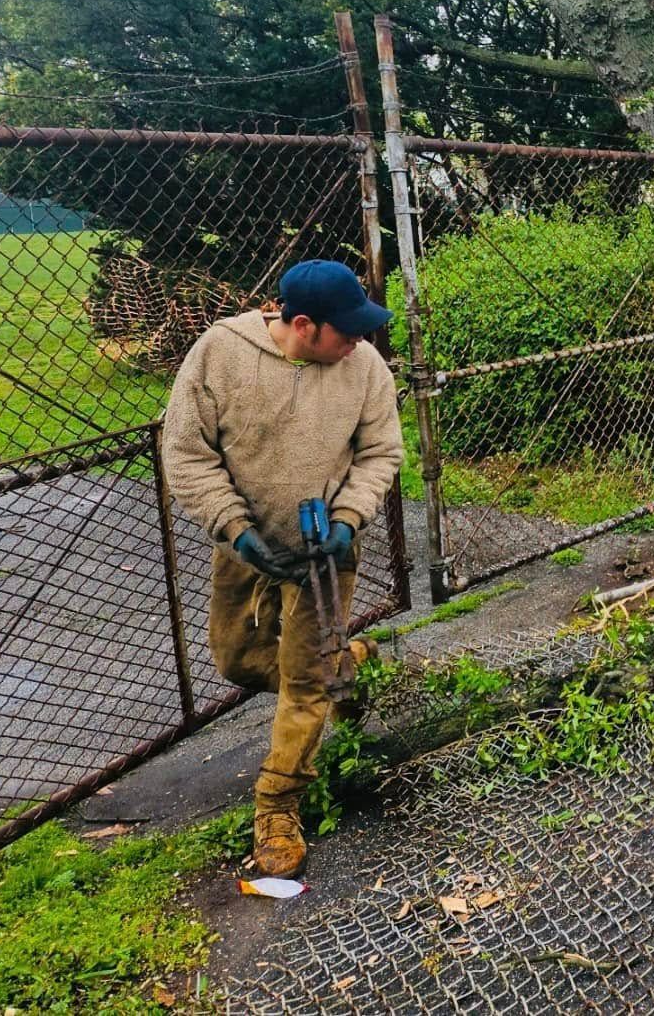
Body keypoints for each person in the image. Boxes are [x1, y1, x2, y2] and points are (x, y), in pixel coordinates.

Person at [162, 259, 404, 878]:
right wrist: (236, 532)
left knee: (302, 681)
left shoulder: (365, 368)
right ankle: (342, 668)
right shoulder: (220, 355)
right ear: (302, 324)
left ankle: (277, 805)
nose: (359, 342)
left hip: (328, 552)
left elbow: (381, 452)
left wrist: (349, 519)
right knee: (235, 659)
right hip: (246, 544)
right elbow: (187, 454)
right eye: (346, 331)